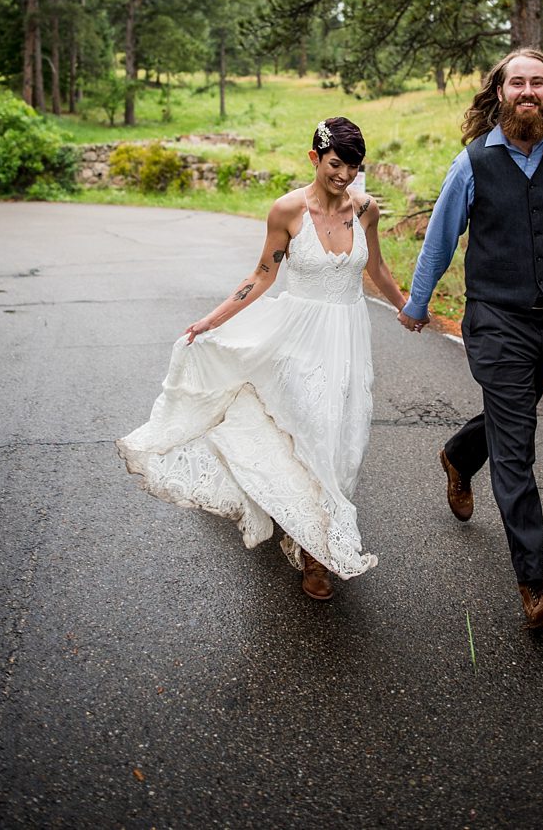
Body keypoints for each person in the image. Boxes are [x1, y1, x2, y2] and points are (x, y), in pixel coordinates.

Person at [397, 48, 543, 631]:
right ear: (499, 93)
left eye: (538, 82)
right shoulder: (473, 162)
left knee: (513, 416)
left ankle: (457, 455)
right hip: (494, 320)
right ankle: (534, 588)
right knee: (517, 448)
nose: (527, 91)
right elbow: (440, 239)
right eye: (517, 83)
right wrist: (418, 302)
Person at [118, 117, 409, 601]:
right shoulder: (288, 211)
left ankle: (314, 523)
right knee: (313, 431)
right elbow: (262, 275)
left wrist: (407, 307)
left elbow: (375, 266)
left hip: (349, 338)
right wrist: (213, 319)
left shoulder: (365, 209)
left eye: (353, 168)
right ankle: (314, 553)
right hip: (297, 338)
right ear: (315, 158)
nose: (344, 176)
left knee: (345, 437)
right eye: (336, 164)